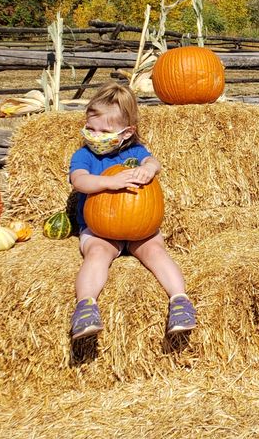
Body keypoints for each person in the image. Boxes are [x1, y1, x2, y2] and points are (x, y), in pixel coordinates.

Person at [68, 82, 196, 340]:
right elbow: (79, 180)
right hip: (100, 228)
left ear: (126, 133)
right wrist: (109, 182)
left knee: (156, 251)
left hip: (141, 227)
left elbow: (153, 161)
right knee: (97, 254)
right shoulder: (84, 155)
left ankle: (180, 300)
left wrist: (149, 168)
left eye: (104, 131)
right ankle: (85, 306)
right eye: (90, 129)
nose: (95, 135)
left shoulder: (136, 152)